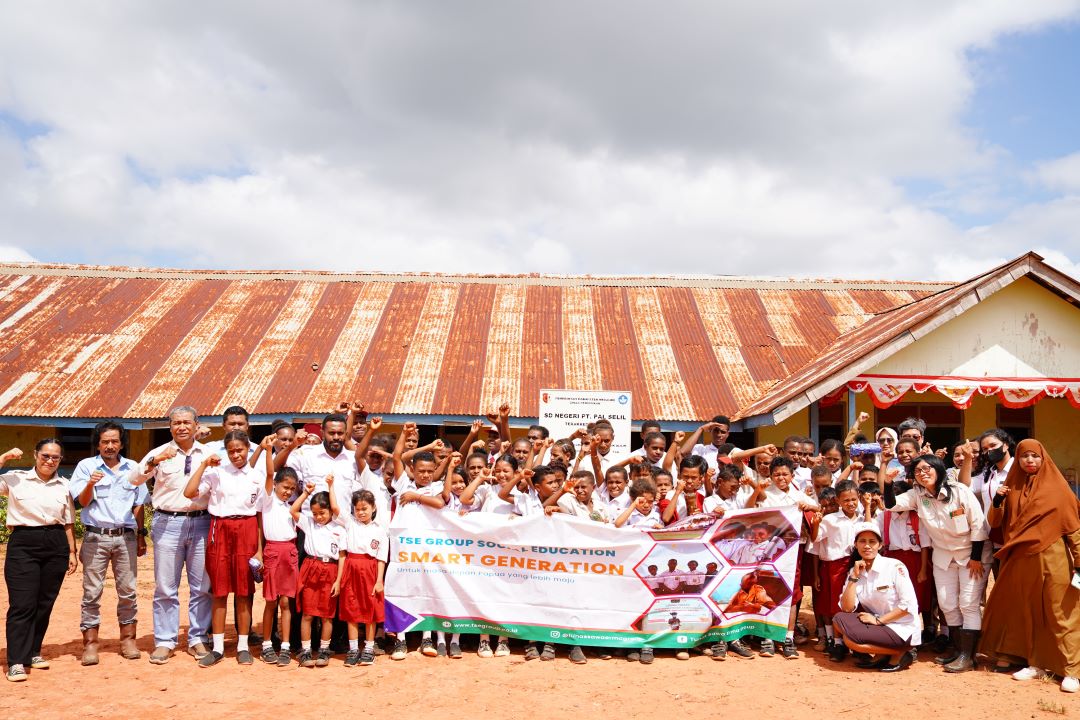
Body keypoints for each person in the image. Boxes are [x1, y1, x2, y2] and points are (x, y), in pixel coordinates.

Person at [979, 439, 1080, 693]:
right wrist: (999, 500)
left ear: (1043, 458)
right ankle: (1036, 664)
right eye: (1024, 456)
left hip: (1053, 557)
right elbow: (994, 522)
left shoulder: (1059, 489)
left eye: (1035, 456)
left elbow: (1074, 529)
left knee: (1060, 613)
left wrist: (1079, 561)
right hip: (1020, 560)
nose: (1029, 461)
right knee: (1029, 613)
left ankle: (1072, 670)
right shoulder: (1010, 487)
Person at [883, 454, 988, 673]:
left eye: (927, 468)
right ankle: (959, 652)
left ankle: (968, 657)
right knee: (947, 603)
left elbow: (978, 525)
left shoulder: (959, 491)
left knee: (968, 603)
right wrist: (887, 482)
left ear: (939, 469)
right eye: (918, 471)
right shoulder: (918, 495)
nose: (923, 473)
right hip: (943, 556)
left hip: (971, 555)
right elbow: (891, 505)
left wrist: (976, 558)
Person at [129, 405, 212, 664]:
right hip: (168, 522)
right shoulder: (158, 453)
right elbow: (133, 479)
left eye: (187, 422)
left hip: (202, 522)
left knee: (202, 586)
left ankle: (198, 638)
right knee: (166, 586)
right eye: (176, 423)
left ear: (197, 425)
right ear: (170, 426)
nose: (182, 427)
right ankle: (165, 640)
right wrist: (154, 461)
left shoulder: (209, 454)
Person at [183, 432, 274, 667]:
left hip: (246, 529)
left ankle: (243, 645)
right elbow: (189, 493)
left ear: (247, 449)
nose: (236, 455)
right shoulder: (216, 473)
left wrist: (259, 550)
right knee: (220, 590)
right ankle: (219, 647)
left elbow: (260, 515)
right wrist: (203, 464)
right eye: (231, 450)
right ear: (226, 451)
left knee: (244, 591)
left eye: (240, 450)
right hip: (220, 529)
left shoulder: (256, 476)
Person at [69, 421, 147, 665]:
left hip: (125, 537)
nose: (110, 446)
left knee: (128, 590)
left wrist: (140, 534)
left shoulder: (133, 467)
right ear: (98, 444)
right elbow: (81, 501)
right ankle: (91, 644)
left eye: (115, 441)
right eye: (105, 442)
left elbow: (139, 502)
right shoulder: (86, 466)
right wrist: (91, 482)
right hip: (95, 537)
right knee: (92, 592)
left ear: (121, 443)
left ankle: (128, 640)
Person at [1, 441, 78, 682]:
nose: (50, 460)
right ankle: (15, 661)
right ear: (36, 455)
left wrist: (72, 552)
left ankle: (33, 651)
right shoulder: (15, 478)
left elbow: (67, 521)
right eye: (45, 455)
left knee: (45, 602)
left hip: (56, 543)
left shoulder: (64, 484)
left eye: (55, 457)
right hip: (24, 542)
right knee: (22, 603)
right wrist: (4, 457)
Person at [831, 523, 920, 672]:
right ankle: (883, 655)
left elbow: (908, 606)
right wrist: (854, 577)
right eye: (862, 541)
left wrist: (878, 621)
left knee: (851, 639)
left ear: (880, 545)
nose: (867, 546)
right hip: (879, 626)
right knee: (839, 619)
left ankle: (901, 654)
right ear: (856, 545)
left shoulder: (894, 566)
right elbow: (847, 608)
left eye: (872, 542)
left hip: (902, 628)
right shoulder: (856, 570)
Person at [290, 480, 344, 668]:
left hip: (331, 570)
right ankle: (305, 651)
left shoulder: (339, 528)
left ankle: (324, 649)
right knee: (307, 613)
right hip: (310, 567)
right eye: (315, 513)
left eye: (322, 513)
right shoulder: (309, 523)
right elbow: (294, 510)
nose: (318, 517)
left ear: (330, 510)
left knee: (327, 615)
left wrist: (338, 580)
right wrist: (305, 493)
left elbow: (343, 556)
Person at [809, 480, 863, 660]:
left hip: (856, 566)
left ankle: (854, 641)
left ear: (859, 498)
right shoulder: (831, 520)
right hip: (835, 566)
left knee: (856, 603)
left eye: (854, 499)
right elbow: (816, 539)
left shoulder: (862, 518)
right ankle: (838, 643)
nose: (851, 503)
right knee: (836, 605)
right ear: (838, 501)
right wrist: (816, 524)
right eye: (846, 500)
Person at [334, 490, 388, 667]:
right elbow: (334, 508)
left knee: (370, 609)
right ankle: (353, 649)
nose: (361, 512)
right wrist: (331, 485)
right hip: (351, 568)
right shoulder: (350, 523)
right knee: (351, 609)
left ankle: (369, 649)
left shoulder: (380, 531)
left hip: (370, 570)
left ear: (373, 508)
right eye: (358, 509)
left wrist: (379, 580)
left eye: (365, 508)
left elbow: (381, 558)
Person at [255, 466, 300, 667]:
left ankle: (285, 646)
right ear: (275, 485)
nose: (288, 491)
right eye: (285, 486)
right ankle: (266, 645)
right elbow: (270, 473)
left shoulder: (291, 507)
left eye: (292, 488)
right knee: (271, 601)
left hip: (289, 553)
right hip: (272, 552)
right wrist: (266, 450)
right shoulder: (268, 501)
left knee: (286, 603)